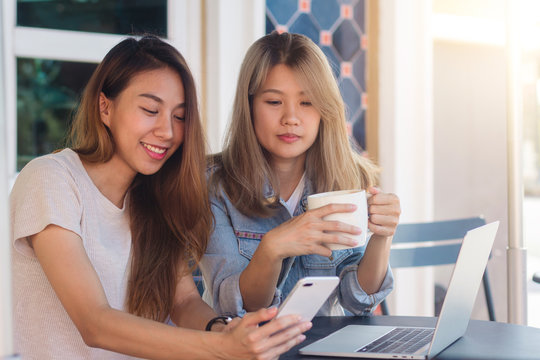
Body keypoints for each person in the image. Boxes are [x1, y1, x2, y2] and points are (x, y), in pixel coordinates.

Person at [10, 35, 310, 360]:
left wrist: (224, 329)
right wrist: (222, 348)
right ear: (105, 107)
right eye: (150, 109)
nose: (167, 131)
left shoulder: (154, 198)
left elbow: (182, 302)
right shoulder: (51, 178)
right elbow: (94, 322)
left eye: (179, 117)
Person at [200, 32, 401, 317]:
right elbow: (234, 306)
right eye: (273, 102)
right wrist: (271, 249)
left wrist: (383, 236)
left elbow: (358, 299)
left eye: (306, 103)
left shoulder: (347, 177)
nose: (291, 118)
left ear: (324, 111)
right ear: (250, 107)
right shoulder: (214, 184)